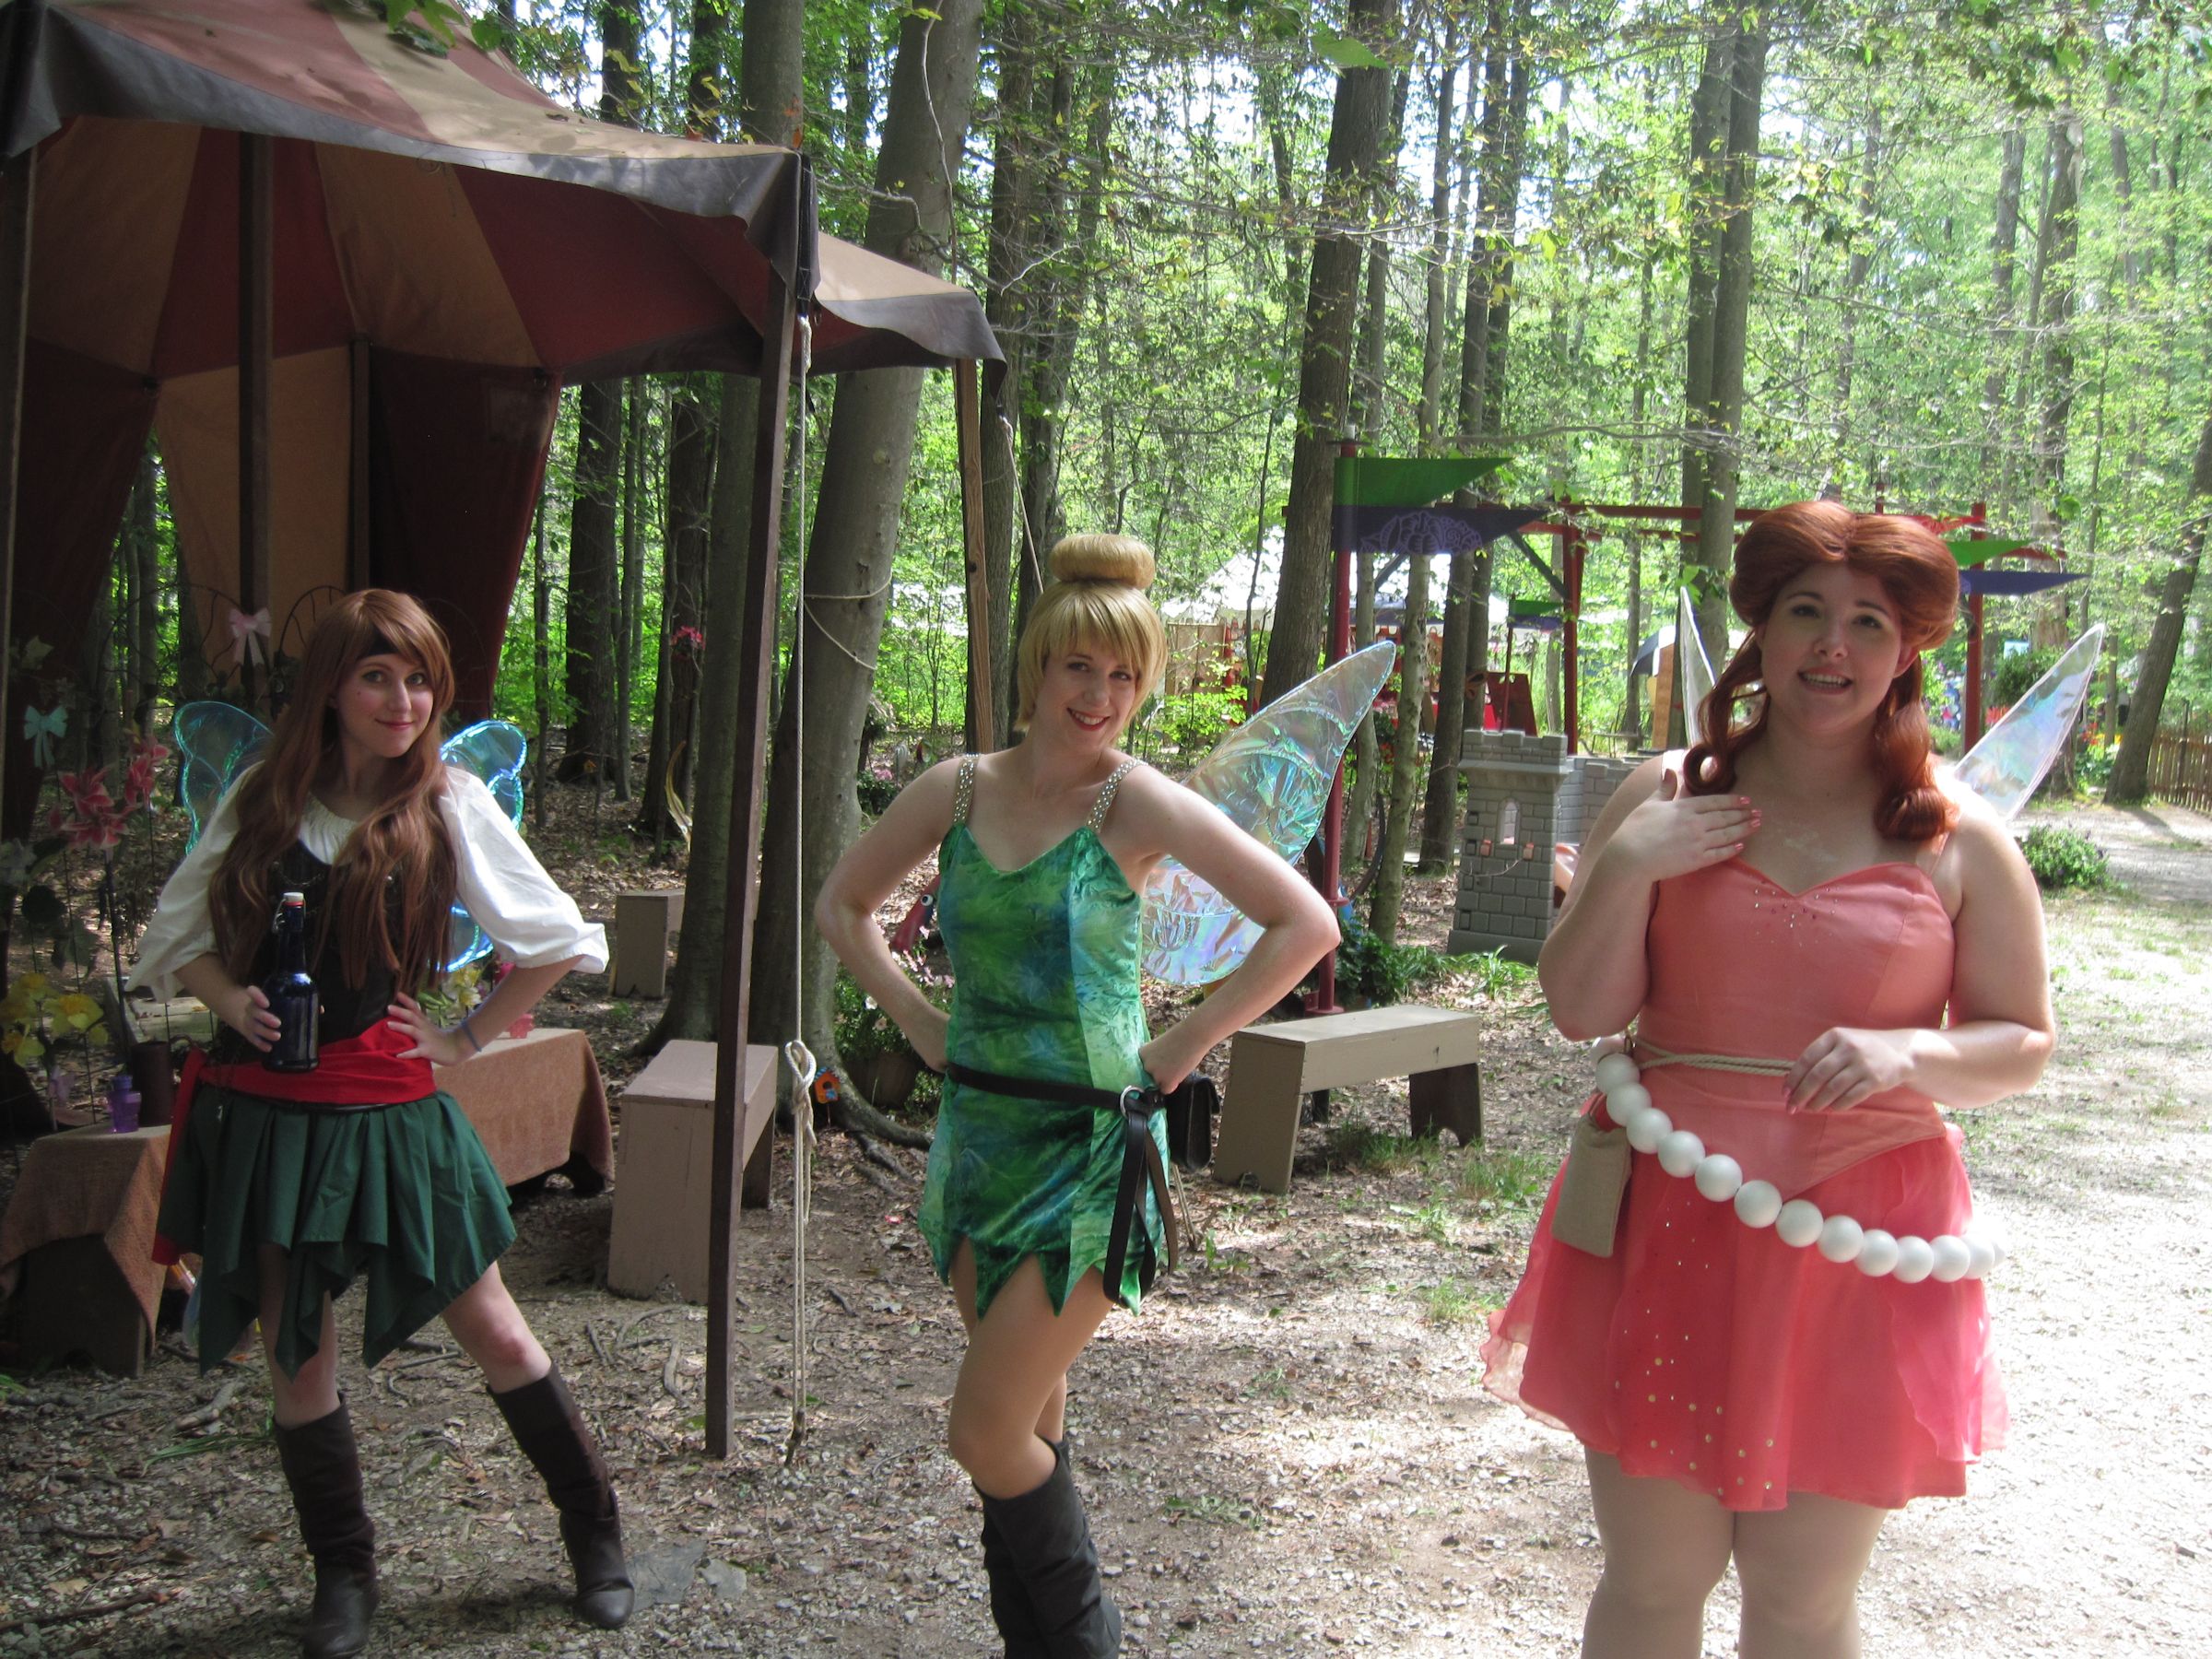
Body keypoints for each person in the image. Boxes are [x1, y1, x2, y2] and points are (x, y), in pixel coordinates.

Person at [1483, 502, 2054, 1659]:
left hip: (1862, 1242)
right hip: (1667, 1214)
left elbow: (2023, 1040)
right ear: (1763, 630)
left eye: (1867, 622)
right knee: (1655, 1578)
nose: (1832, 646)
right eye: (1806, 612)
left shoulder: (1961, 839)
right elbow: (1579, 1010)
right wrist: (1628, 863)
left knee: (1801, 1598)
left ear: (1906, 652)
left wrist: (1911, 1054)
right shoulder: (1667, 795)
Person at [816, 535, 1337, 1656]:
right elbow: (842, 906)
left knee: (984, 1431)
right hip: (978, 1145)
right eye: (1080, 669)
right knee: (1030, 1429)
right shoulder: (956, 790)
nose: (1101, 697)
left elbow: (1306, 924)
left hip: (1092, 1156)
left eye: (1126, 676)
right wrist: (919, 1022)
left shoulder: (1136, 803)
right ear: (1038, 667)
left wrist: (1181, 1046)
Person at [133, 591, 629, 1658]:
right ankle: (344, 1576)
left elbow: (557, 939)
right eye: (376, 677)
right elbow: (176, 940)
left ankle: (596, 1533)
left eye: (418, 681)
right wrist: (235, 1005)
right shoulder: (266, 799)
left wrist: (464, 1037)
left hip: (393, 1113)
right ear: (333, 688)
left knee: (497, 1330)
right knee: (297, 1353)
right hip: (272, 1119)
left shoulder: (447, 802)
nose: (402, 701)